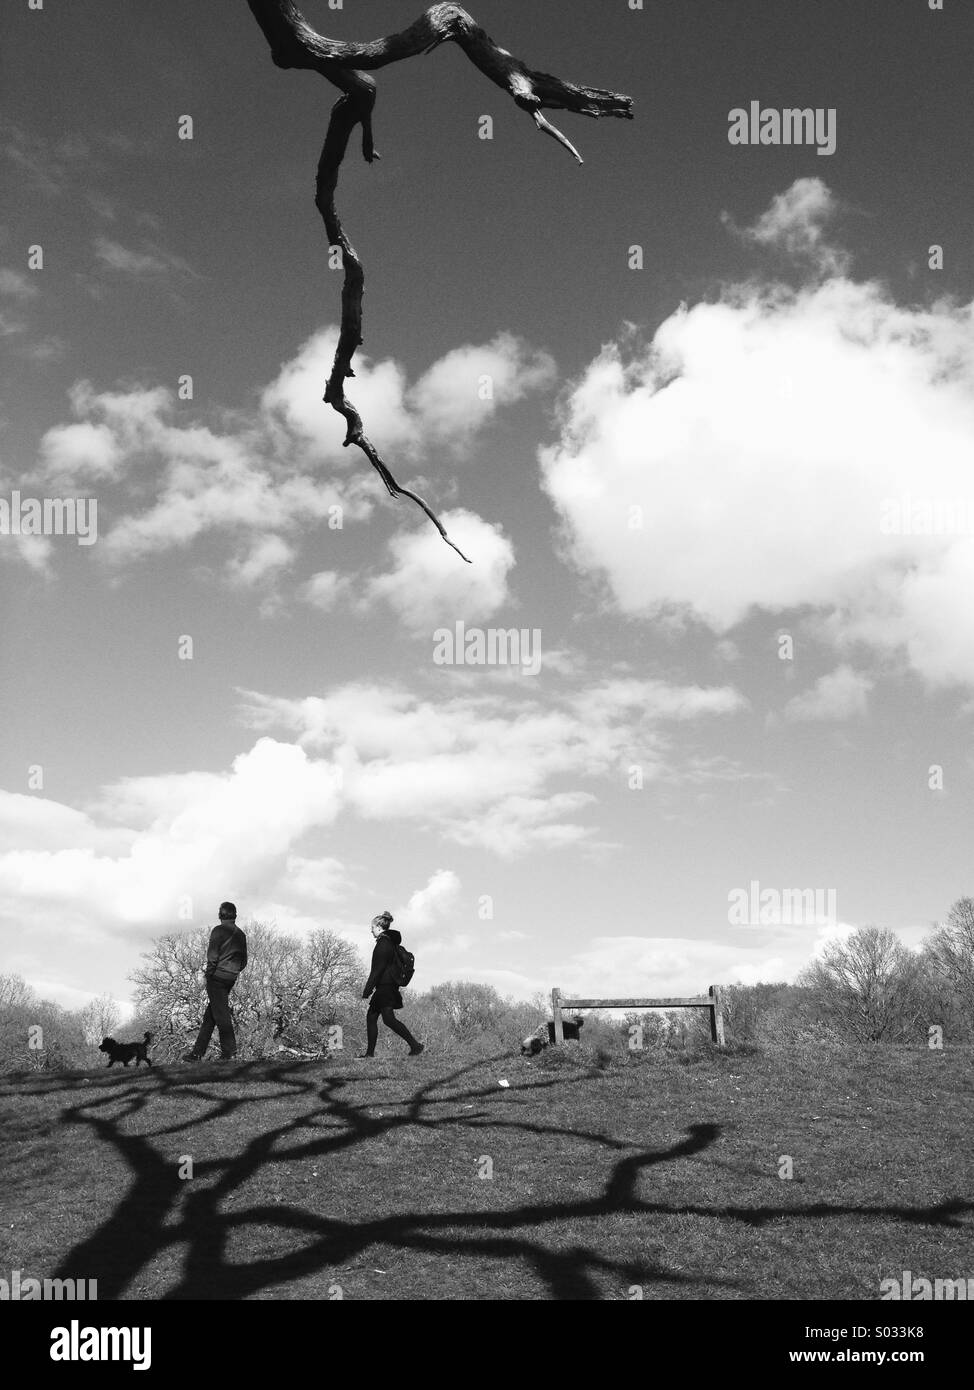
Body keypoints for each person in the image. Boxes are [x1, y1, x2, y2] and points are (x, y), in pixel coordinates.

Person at [182, 902, 248, 1062]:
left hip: (217, 977)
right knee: (211, 1016)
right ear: (235, 915)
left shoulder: (218, 931)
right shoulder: (241, 934)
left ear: (220, 915)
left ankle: (229, 1052)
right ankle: (197, 1053)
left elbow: (212, 956)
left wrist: (209, 974)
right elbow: (244, 960)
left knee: (222, 1015)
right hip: (231, 977)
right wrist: (234, 971)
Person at [361, 911, 423, 1057]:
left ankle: (415, 1045)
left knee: (388, 1019)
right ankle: (369, 1054)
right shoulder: (390, 943)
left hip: (385, 987)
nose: (371, 930)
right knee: (372, 1017)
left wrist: (367, 990)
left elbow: (377, 969)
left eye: (372, 927)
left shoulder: (383, 944)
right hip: (387, 986)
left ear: (379, 927)